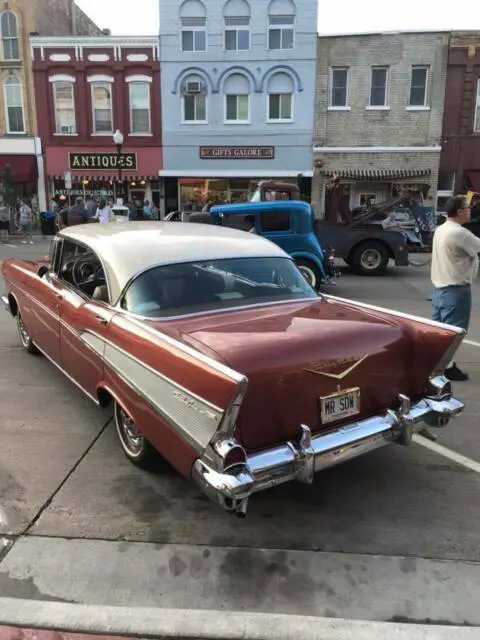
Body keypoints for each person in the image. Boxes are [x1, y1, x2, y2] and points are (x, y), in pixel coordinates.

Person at [431, 194, 480, 381]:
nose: (470, 210)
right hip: (455, 291)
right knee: (453, 334)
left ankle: (436, 364)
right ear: (459, 212)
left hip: (439, 289)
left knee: (440, 333)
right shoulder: (460, 233)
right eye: (468, 208)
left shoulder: (441, 229)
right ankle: (445, 368)